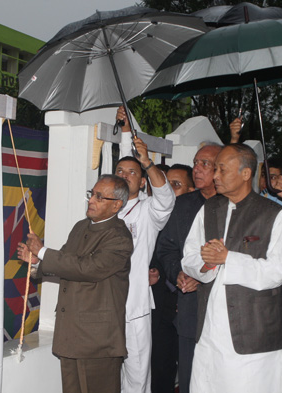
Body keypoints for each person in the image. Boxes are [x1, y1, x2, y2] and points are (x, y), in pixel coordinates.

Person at [182, 143, 282, 393]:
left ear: (246, 174)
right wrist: (206, 264)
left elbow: (278, 271)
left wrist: (229, 258)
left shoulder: (272, 213)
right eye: (216, 169)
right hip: (210, 328)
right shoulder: (209, 209)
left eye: (222, 169)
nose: (215, 176)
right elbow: (189, 256)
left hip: (254, 330)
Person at [16, 174, 134, 393]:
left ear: (116, 205)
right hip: (71, 335)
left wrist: (42, 251)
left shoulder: (119, 237)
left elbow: (88, 268)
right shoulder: (81, 227)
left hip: (97, 341)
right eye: (92, 194)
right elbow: (65, 262)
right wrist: (36, 262)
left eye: (100, 197)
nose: (91, 200)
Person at [115, 107, 175, 393]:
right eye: (119, 172)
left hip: (134, 308)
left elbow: (165, 198)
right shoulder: (105, 209)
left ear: (142, 182)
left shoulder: (149, 211)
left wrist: (148, 163)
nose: (125, 175)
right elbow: (123, 161)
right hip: (104, 306)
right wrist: (125, 130)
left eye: (132, 173)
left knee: (137, 379)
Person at [156, 143, 222, 393]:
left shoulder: (234, 205)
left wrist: (203, 275)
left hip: (222, 307)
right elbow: (166, 248)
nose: (197, 168)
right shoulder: (182, 205)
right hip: (189, 308)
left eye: (205, 163)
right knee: (189, 377)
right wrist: (179, 274)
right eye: (195, 163)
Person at [149, 163, 193, 393]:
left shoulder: (200, 218)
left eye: (175, 185)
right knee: (160, 370)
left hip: (191, 304)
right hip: (161, 305)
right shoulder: (154, 215)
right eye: (165, 184)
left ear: (191, 191)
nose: (168, 189)